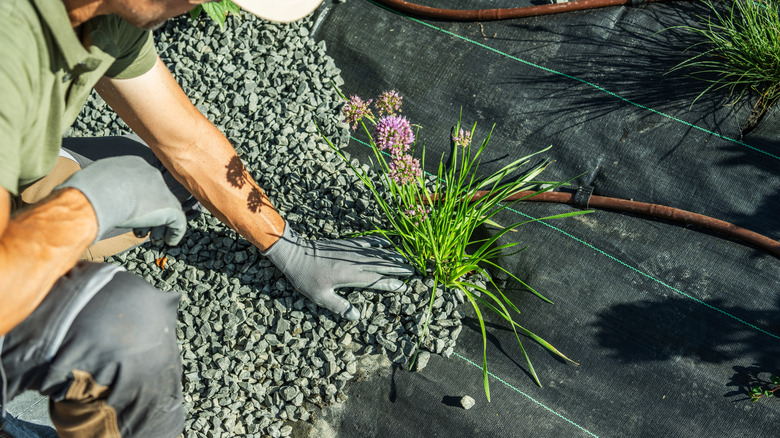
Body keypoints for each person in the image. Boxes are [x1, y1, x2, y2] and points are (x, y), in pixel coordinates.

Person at [0, 0, 413, 436]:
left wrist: (289, 245)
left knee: (163, 176)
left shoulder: (105, 18)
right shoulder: (10, 44)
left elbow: (186, 146)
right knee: (119, 332)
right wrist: (88, 206)